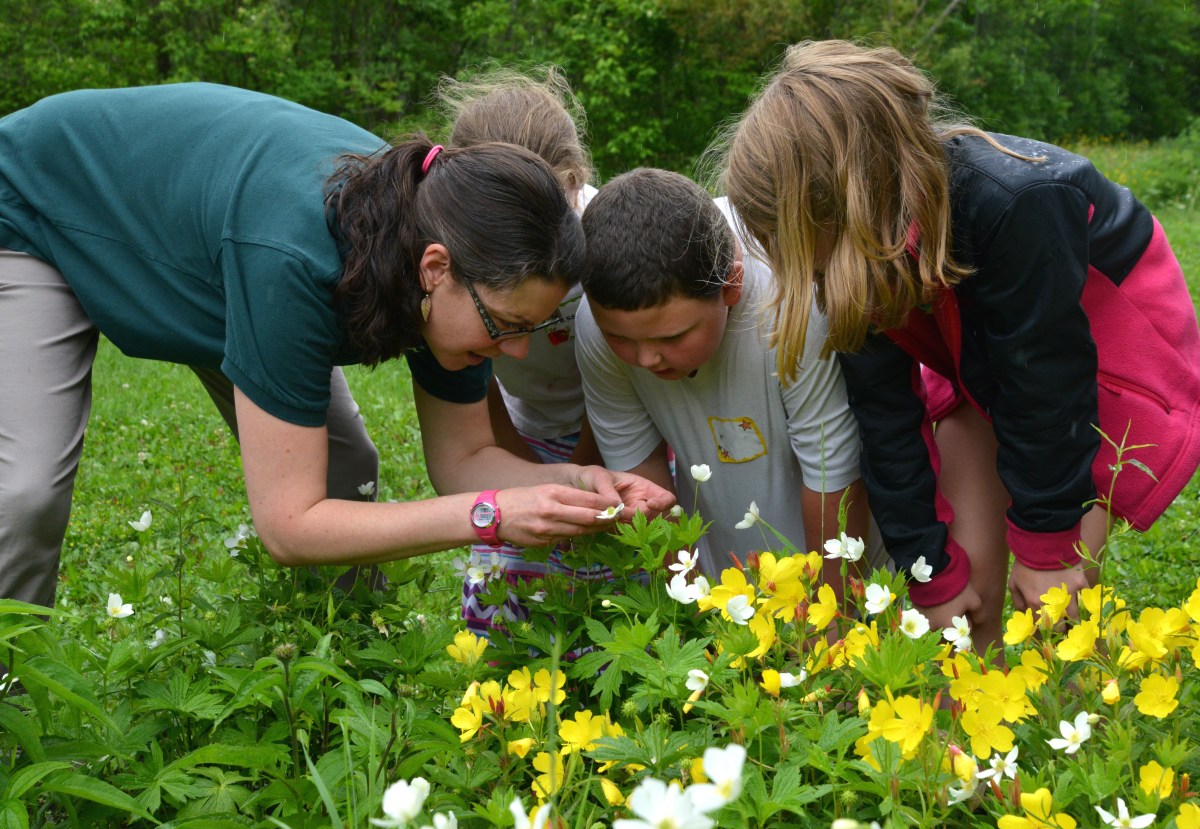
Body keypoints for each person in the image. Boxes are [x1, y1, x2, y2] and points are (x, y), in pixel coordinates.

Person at [0, 82, 674, 609]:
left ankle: (343, 671)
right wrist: (489, 516)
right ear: (435, 270)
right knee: (23, 493)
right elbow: (289, 526)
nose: (517, 353)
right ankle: (13, 707)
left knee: (343, 472)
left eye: (532, 328)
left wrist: (577, 483)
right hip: (37, 207)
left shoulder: (445, 234)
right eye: (504, 326)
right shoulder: (296, 258)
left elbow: (463, 458)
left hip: (205, 247)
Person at [721, 39, 1200, 651]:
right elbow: (885, 415)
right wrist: (932, 572)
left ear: (849, 204)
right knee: (968, 592)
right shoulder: (846, 258)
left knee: (1054, 604)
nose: (796, 268)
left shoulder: (1020, 202)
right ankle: (975, 708)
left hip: (1103, 352)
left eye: (795, 244)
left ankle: (1073, 714)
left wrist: (1047, 543)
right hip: (974, 344)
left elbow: (1046, 384)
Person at [576, 168, 888, 594]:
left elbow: (833, 476)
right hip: (728, 582)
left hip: (855, 576)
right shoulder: (593, 325)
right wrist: (697, 611)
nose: (646, 358)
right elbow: (642, 487)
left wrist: (831, 619)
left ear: (732, 286)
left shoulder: (791, 300)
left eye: (672, 336)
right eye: (621, 338)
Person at [434, 67, 609, 636]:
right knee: (505, 577)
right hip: (518, 428)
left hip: (610, 426)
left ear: (572, 187)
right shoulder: (458, 252)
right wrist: (528, 477)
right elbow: (471, 373)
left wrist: (569, 475)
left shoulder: (602, 243)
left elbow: (619, 386)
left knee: (598, 577)